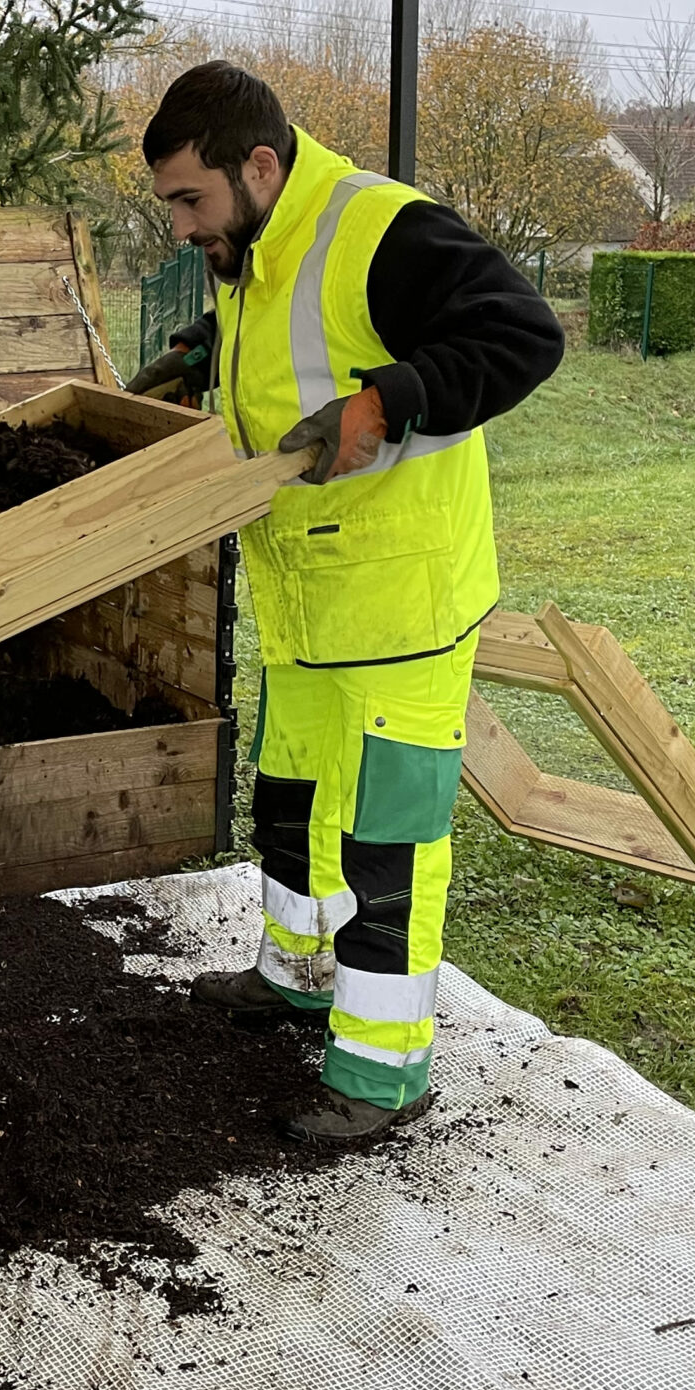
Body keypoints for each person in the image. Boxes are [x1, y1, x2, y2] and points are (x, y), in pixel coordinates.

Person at [133, 61, 564, 1142]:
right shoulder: (255, 244)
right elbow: (302, 346)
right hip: (308, 603)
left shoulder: (382, 229)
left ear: (258, 165)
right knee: (293, 803)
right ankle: (297, 974)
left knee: (385, 843)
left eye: (190, 200)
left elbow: (524, 334)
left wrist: (391, 401)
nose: (182, 227)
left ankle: (382, 1070)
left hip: (399, 608)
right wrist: (203, 352)